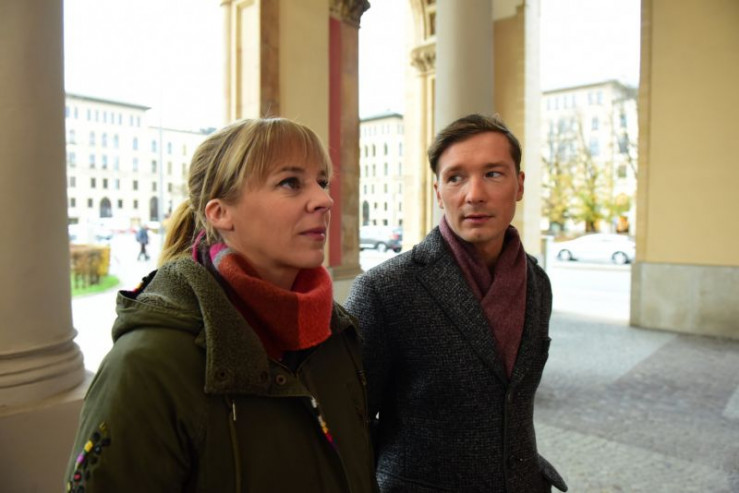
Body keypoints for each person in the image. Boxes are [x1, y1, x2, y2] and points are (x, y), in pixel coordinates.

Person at [66, 118, 378, 492]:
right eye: (290, 183)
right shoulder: (149, 363)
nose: (325, 200)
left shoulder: (336, 332)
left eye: (322, 182)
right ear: (220, 212)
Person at [346, 114, 568, 492]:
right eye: (455, 178)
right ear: (438, 192)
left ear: (519, 184)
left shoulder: (537, 282)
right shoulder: (385, 290)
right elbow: (351, 422)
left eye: (493, 174)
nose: (474, 194)